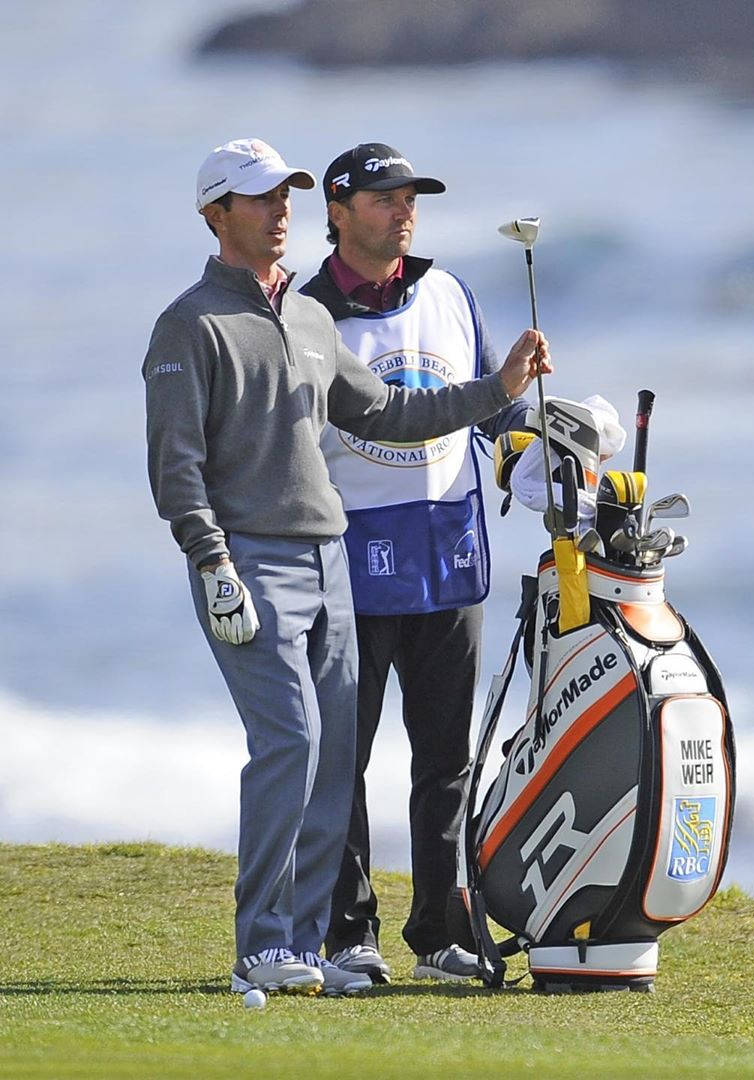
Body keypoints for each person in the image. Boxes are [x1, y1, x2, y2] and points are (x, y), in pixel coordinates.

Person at [142, 138, 549, 998]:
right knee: (289, 740)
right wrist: (208, 556)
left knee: (330, 755)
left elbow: (392, 413)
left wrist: (499, 388)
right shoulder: (188, 324)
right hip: (252, 558)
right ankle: (264, 943)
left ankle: (311, 943)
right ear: (216, 215)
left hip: (330, 556)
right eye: (260, 200)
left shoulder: (308, 317)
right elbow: (177, 464)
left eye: (284, 195)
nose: (278, 211)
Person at [300, 142, 530, 983]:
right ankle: (347, 936)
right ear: (338, 208)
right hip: (346, 564)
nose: (404, 212)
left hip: (450, 557)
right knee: (341, 763)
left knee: (448, 762)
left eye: (411, 199)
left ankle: (439, 932)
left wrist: (542, 454)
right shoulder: (304, 310)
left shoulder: (448, 292)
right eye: (385, 199)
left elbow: (493, 411)